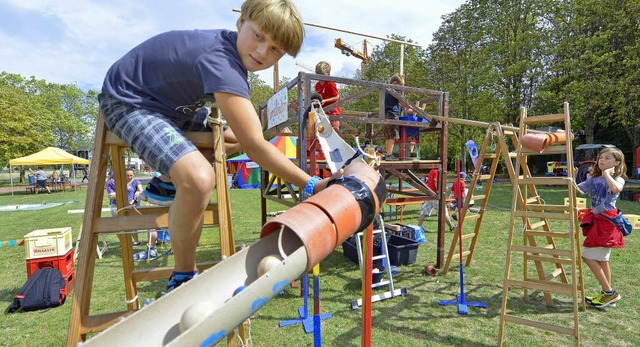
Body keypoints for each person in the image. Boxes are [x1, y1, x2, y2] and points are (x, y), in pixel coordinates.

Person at [99, 0, 338, 292]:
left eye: (275, 49)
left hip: (168, 107)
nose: (262, 52)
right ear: (241, 23)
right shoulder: (222, 62)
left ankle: (165, 183)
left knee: (234, 136)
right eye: (259, 36)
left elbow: (247, 138)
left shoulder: (232, 58)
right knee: (200, 179)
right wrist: (312, 183)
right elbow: (256, 147)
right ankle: (183, 276)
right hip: (128, 101)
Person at [577, 147, 627, 308]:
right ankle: (608, 294)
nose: (602, 160)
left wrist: (607, 175)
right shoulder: (593, 179)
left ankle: (609, 293)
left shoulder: (618, 178)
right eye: (601, 158)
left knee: (587, 256)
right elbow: (578, 190)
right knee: (602, 260)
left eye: (607, 158)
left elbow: (616, 189)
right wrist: (571, 177)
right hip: (597, 221)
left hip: (607, 222)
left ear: (617, 163)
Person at [106, 169, 144, 246]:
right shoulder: (117, 182)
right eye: (127, 175)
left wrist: (138, 192)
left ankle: (136, 241)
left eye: (131, 175)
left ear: (133, 175)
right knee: (117, 224)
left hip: (129, 205)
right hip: (115, 204)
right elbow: (110, 193)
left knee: (131, 224)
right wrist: (111, 196)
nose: (129, 177)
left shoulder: (136, 182)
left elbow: (141, 191)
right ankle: (123, 242)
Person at [383, 74, 407, 161]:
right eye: (401, 85)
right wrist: (402, 92)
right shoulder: (396, 89)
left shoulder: (386, 91)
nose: (401, 87)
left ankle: (387, 154)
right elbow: (402, 102)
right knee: (393, 135)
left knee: (388, 136)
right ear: (396, 83)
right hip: (393, 114)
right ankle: (389, 155)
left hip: (386, 114)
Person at [314, 61, 341, 132]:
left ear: (328, 74)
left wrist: (325, 100)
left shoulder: (330, 83)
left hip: (333, 111)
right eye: (318, 75)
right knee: (322, 130)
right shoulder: (317, 85)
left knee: (334, 129)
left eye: (322, 75)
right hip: (323, 112)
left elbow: (336, 97)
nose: (320, 77)